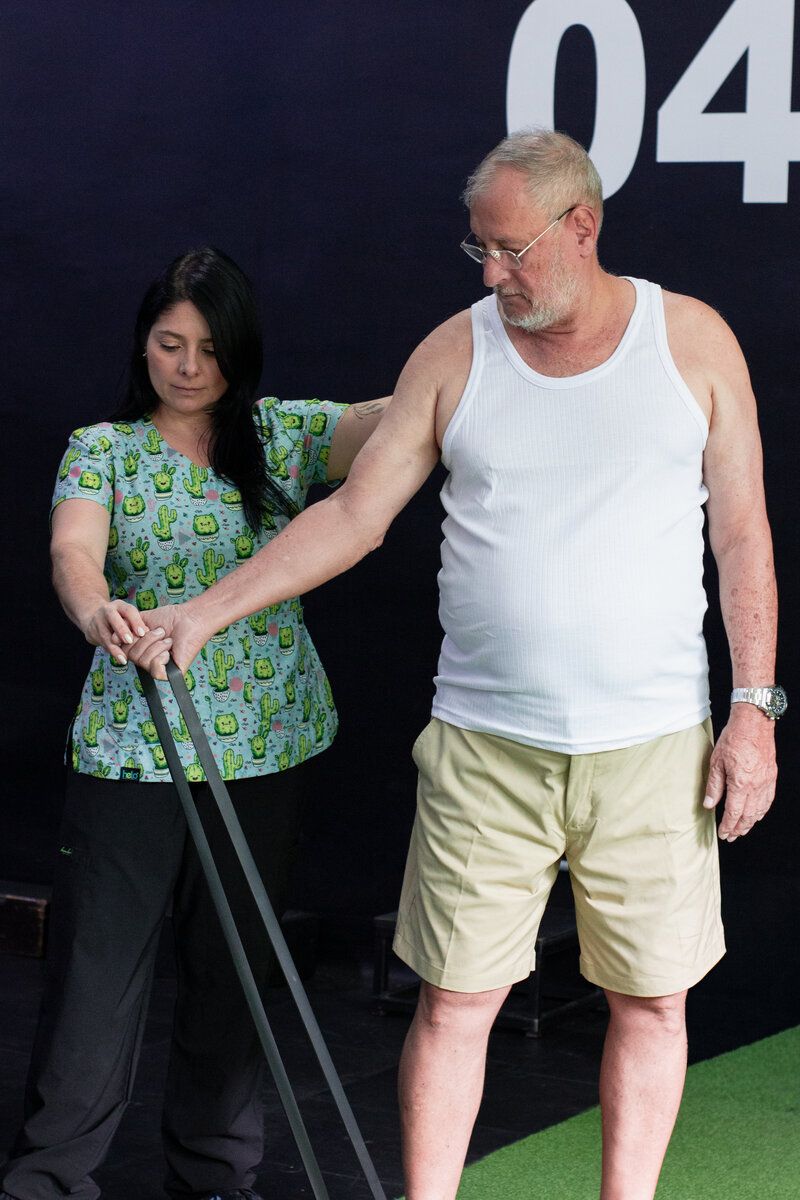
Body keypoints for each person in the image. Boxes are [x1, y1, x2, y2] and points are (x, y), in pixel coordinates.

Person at [128, 132, 782, 1200]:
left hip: (655, 745)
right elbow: (352, 514)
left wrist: (750, 713)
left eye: (509, 249)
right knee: (453, 1002)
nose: (489, 272)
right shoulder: (453, 354)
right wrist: (205, 612)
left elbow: (743, 533)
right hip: (485, 746)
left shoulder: (691, 342)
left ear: (582, 228)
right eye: (474, 248)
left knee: (653, 1001)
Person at [0, 246, 390, 1200]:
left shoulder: (283, 437)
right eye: (168, 343)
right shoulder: (104, 446)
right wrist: (95, 609)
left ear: (238, 352)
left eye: (207, 347)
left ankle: (216, 1174)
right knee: (97, 974)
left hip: (267, 742)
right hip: (134, 749)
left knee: (236, 970)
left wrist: (484, 346)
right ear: (143, 344)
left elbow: (402, 421)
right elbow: (73, 547)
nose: (184, 365)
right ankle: (50, 1180)